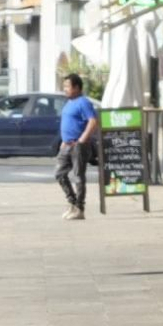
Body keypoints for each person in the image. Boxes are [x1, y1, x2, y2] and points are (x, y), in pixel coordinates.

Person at [55, 73, 99, 220]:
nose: (65, 89)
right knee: (60, 174)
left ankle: (79, 208)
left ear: (77, 87)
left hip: (78, 146)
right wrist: (63, 141)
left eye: (67, 86)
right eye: (64, 86)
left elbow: (92, 121)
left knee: (78, 176)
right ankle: (72, 202)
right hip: (66, 144)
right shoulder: (69, 103)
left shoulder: (83, 102)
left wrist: (82, 140)